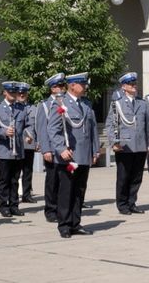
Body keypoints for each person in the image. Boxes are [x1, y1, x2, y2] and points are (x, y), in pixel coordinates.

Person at [47, 72, 100, 238]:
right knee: (67, 191)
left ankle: (76, 223)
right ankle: (64, 225)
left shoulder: (86, 104)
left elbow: (92, 130)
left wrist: (95, 150)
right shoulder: (62, 103)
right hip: (69, 157)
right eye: (82, 84)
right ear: (72, 85)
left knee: (79, 191)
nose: (84, 87)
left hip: (84, 155)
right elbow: (52, 129)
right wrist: (60, 148)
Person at [106, 72, 149, 215]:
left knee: (137, 177)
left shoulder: (142, 103)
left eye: (135, 84)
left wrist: (147, 144)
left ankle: (132, 202)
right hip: (125, 146)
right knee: (123, 177)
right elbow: (111, 125)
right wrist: (114, 142)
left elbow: (146, 125)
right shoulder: (117, 104)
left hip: (140, 145)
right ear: (124, 86)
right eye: (131, 84)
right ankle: (122, 204)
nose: (134, 86)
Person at [0, 81, 27, 217]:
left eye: (15, 92)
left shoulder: (21, 108)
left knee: (15, 179)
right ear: (4, 93)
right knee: (4, 180)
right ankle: (4, 206)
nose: (13, 95)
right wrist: (4, 132)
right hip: (4, 150)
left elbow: (27, 126)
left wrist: (29, 135)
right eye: (10, 92)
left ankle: (14, 205)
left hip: (18, 150)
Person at [35, 73, 66, 222]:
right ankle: (51, 210)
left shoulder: (67, 102)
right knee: (52, 181)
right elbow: (42, 129)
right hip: (52, 150)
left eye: (62, 86)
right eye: (57, 86)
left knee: (66, 180)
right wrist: (46, 149)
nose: (60, 89)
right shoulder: (45, 105)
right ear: (52, 89)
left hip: (67, 149)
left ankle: (63, 208)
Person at [17, 82, 38, 203]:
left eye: (23, 93)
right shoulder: (14, 108)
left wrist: (38, 141)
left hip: (30, 144)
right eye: (19, 93)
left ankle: (26, 194)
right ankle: (14, 194)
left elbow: (37, 126)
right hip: (17, 144)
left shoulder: (33, 108)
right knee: (15, 172)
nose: (21, 95)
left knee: (28, 171)